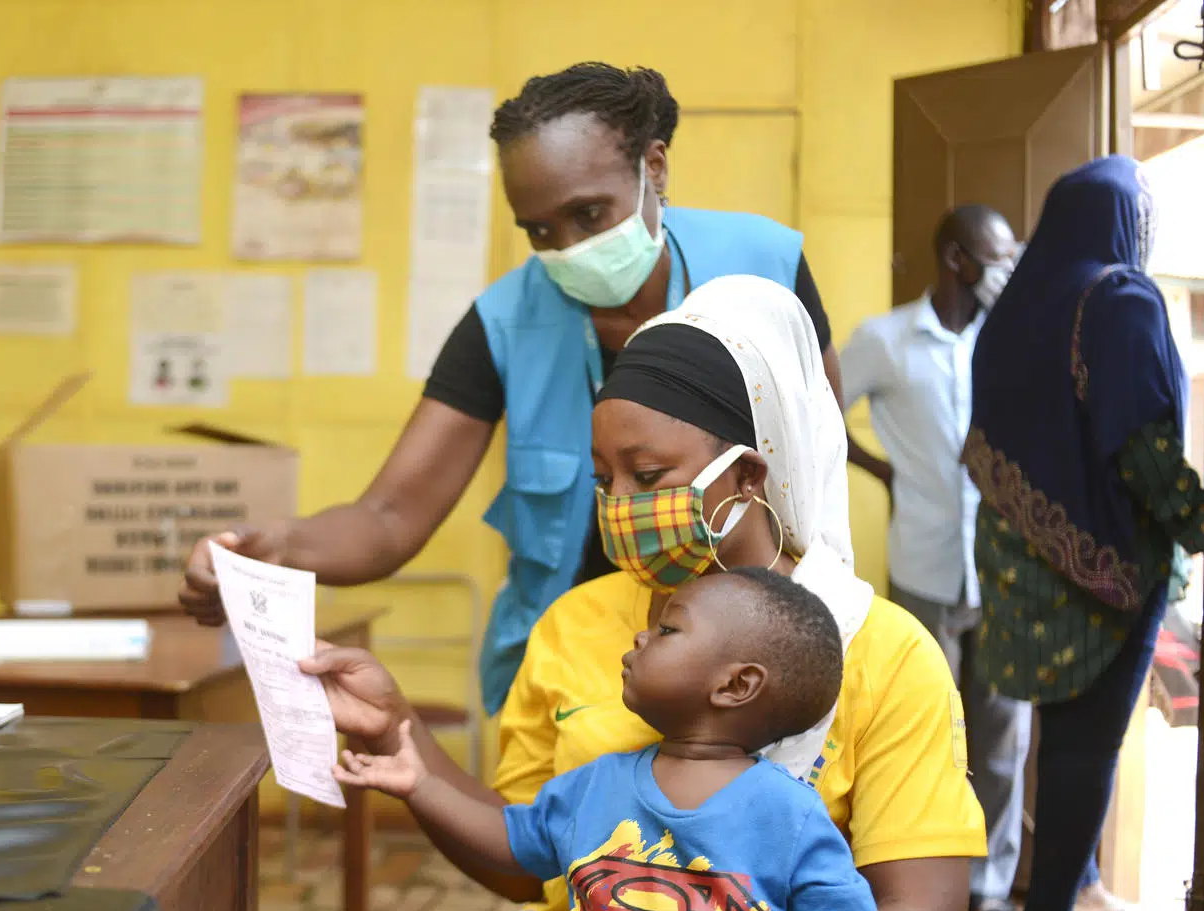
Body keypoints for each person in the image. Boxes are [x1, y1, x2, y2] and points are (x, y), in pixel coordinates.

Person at [302, 275, 985, 911]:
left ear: (746, 476)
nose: (620, 505)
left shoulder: (885, 654)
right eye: (605, 480)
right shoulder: (575, 623)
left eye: (649, 475)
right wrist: (398, 731)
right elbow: (527, 858)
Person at [181, 63, 845, 717]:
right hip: (574, 668)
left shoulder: (764, 265)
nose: (569, 248)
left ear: (655, 167)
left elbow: (818, 468)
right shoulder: (502, 323)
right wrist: (270, 548)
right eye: (539, 231)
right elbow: (388, 517)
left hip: (755, 648)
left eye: (589, 213)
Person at [335, 569, 946, 911]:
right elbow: (511, 843)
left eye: (668, 629)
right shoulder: (597, 783)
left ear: (736, 685)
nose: (640, 635)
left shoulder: (788, 814)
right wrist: (420, 785)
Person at [963, 154, 1204, 911]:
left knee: (1052, 739)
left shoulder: (1017, 305)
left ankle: (1074, 891)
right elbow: (1143, 447)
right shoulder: (1121, 298)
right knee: (1085, 750)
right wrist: (1197, 523)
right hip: (1106, 572)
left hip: (1020, 565)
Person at [839, 205, 1031, 911]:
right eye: (996, 256)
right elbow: (821, 412)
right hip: (923, 561)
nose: (1007, 269)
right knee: (924, 733)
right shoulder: (885, 339)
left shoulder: (1010, 338)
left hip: (1003, 570)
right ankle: (919, 886)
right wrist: (882, 470)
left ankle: (991, 885)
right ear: (955, 258)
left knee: (1004, 733)